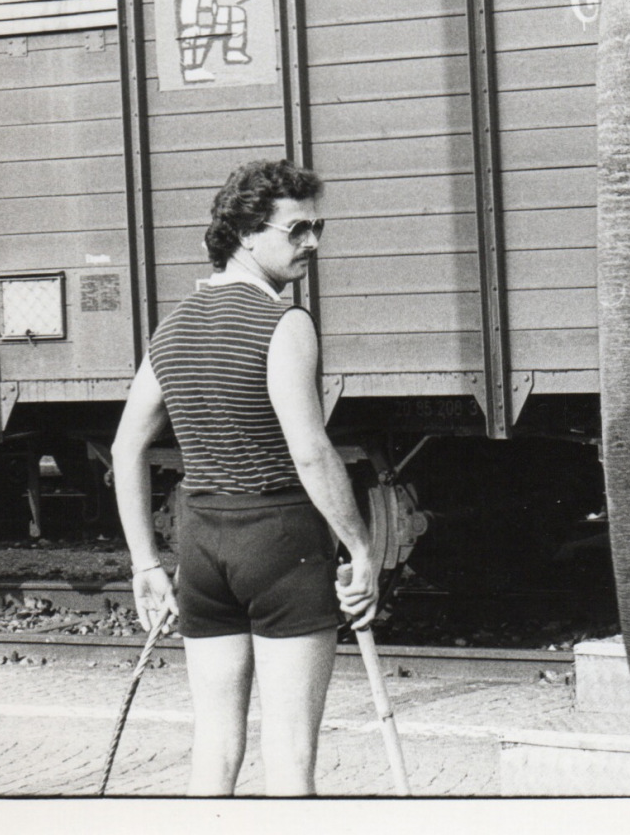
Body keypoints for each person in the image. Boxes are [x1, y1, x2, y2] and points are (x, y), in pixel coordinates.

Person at [112, 158, 378, 796]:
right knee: (289, 752)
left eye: (317, 228)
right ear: (246, 234)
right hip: (281, 540)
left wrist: (146, 563)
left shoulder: (172, 327)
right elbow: (310, 451)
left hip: (202, 546)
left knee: (214, 743)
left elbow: (125, 447)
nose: (312, 243)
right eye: (297, 230)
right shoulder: (284, 322)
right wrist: (362, 549)